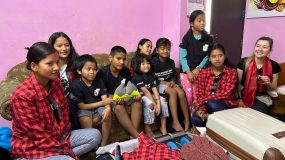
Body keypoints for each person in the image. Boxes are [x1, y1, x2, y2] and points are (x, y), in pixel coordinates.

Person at [10, 42, 101, 160]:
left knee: (95, 135)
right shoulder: (22, 96)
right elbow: (39, 137)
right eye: (50, 64)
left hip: (58, 138)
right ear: (34, 66)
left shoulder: (56, 82)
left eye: (57, 62)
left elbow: (64, 115)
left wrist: (63, 144)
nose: (56, 67)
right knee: (68, 159)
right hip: (33, 147)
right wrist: (68, 153)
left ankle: (62, 156)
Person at [97, 46, 142, 138]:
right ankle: (138, 137)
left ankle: (133, 136)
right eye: (118, 59)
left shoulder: (125, 70)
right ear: (110, 58)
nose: (122, 62)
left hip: (124, 96)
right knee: (118, 107)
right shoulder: (102, 73)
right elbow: (103, 93)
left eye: (124, 59)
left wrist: (135, 95)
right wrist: (116, 98)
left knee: (137, 102)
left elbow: (129, 87)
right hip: (110, 98)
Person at [70, 54, 112, 146]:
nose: (92, 72)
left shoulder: (99, 81)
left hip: (98, 107)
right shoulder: (75, 85)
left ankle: (104, 143)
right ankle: (93, 147)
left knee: (107, 114)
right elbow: (82, 106)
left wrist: (108, 108)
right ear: (79, 71)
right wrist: (103, 102)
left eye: (94, 69)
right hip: (85, 108)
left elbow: (105, 98)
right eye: (88, 69)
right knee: (85, 119)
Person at [192, 43, 238, 127]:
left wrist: (203, 100)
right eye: (213, 56)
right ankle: (210, 118)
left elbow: (225, 94)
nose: (217, 59)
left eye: (220, 56)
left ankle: (211, 118)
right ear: (209, 58)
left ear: (225, 56)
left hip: (225, 105)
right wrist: (202, 109)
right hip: (205, 105)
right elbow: (199, 94)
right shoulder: (203, 73)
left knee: (212, 104)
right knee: (196, 120)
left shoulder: (231, 72)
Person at [152, 38, 190, 132]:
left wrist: (173, 81)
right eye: (162, 48)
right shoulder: (152, 63)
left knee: (181, 92)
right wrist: (165, 83)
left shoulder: (171, 62)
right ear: (157, 50)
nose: (165, 51)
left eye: (168, 49)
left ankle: (187, 121)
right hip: (157, 86)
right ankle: (175, 122)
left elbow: (173, 75)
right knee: (172, 92)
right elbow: (150, 80)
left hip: (169, 84)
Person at [179, 10, 213, 114]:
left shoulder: (208, 39)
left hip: (201, 71)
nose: (202, 23)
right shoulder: (187, 38)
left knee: (198, 96)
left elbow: (207, 56)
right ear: (192, 23)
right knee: (189, 96)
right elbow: (182, 57)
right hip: (186, 72)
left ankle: (195, 120)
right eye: (199, 21)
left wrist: (198, 69)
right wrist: (189, 71)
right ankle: (189, 119)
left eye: (204, 21)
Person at [237, 36, 281, 114]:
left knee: (261, 112)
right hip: (243, 95)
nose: (260, 49)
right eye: (258, 46)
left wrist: (267, 83)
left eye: (264, 47)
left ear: (270, 50)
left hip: (261, 97)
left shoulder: (274, 65)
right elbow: (237, 84)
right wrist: (239, 99)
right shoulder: (244, 62)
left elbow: (273, 88)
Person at [48, 32, 80, 130]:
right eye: (59, 46)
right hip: (55, 102)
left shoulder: (77, 62)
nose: (64, 49)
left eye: (67, 45)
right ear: (52, 47)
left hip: (76, 100)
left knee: (69, 105)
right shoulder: (48, 66)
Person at [132, 54, 169, 136]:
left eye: (148, 63)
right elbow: (146, 92)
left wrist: (158, 103)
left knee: (163, 101)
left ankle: (163, 127)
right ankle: (148, 128)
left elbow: (154, 88)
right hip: (141, 96)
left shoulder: (150, 73)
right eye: (143, 64)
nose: (146, 66)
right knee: (150, 104)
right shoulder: (136, 76)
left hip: (149, 94)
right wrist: (155, 104)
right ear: (137, 66)